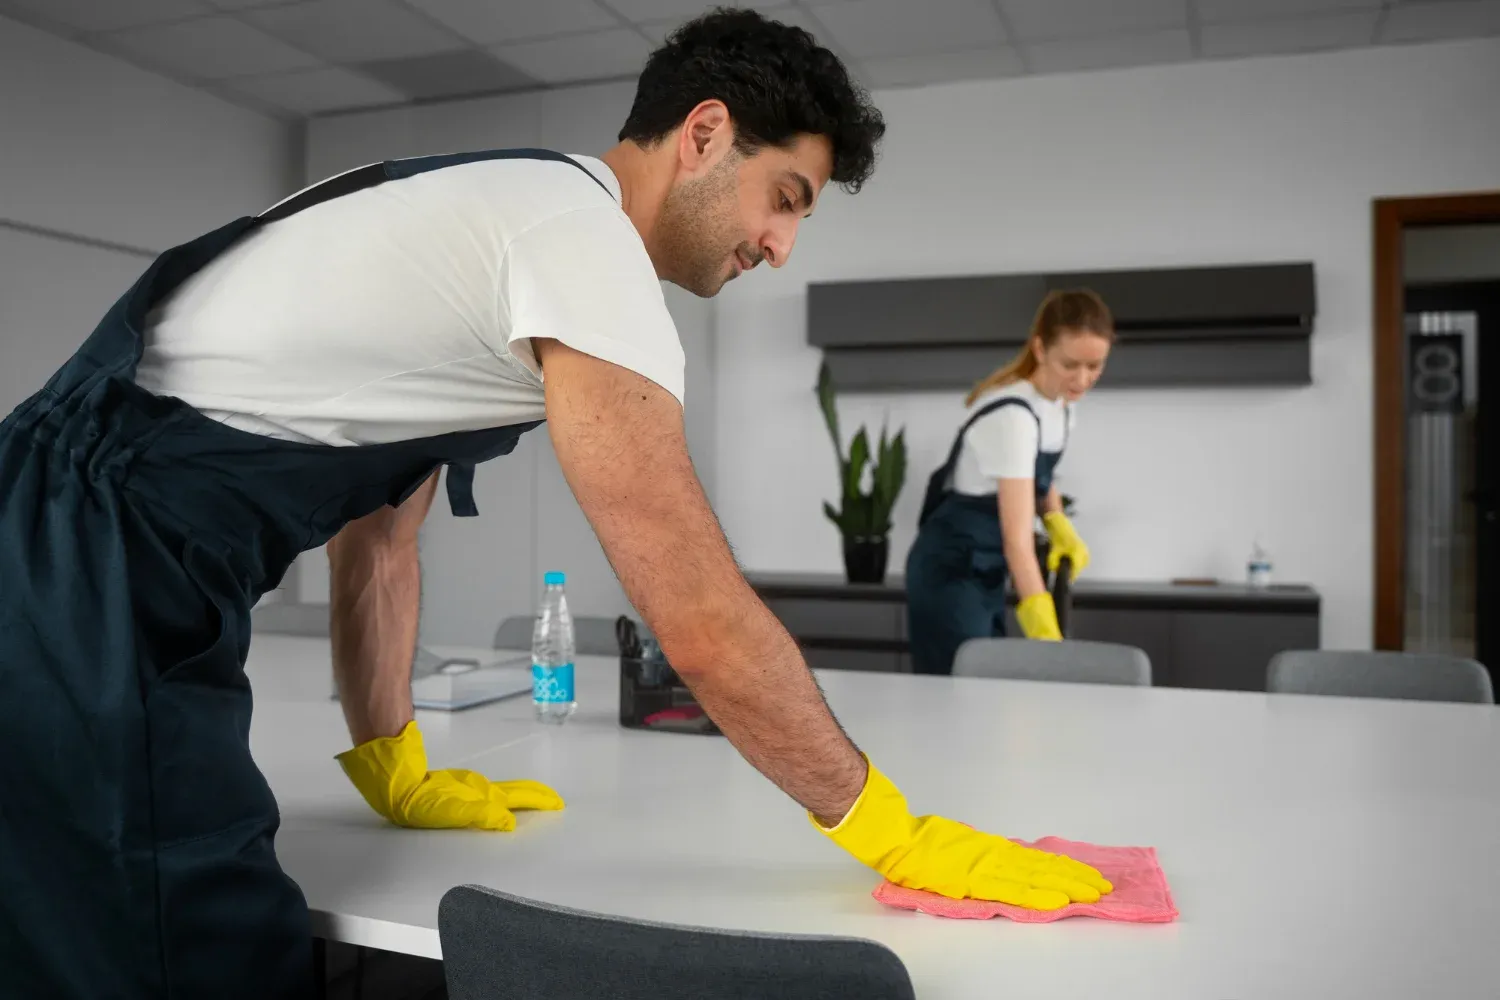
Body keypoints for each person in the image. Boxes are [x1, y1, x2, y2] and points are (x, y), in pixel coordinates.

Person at [0, 11, 1110, 998]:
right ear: (706, 134)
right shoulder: (577, 245)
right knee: (183, 941)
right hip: (85, 560)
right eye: (789, 199)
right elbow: (698, 618)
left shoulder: (504, 216)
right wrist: (889, 829)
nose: (781, 245)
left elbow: (380, 544)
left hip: (70, 536)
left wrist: (393, 761)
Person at [906, 289, 1115, 675]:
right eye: (1071, 364)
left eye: (1095, 366)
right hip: (950, 571)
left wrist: (1057, 522)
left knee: (986, 688)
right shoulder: (1013, 417)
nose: (1083, 379)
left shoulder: (1059, 409)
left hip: (987, 568)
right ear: (1040, 349)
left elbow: (1038, 477)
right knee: (957, 692)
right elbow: (1017, 540)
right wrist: (1045, 632)